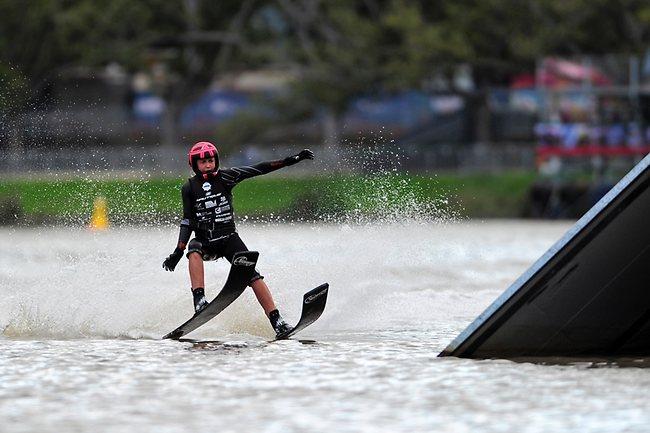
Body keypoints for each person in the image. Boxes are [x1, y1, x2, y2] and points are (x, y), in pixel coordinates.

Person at [162, 141, 314, 337]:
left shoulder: (227, 176)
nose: (208, 165)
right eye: (203, 162)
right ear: (194, 165)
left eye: (210, 160)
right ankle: (199, 300)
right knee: (194, 247)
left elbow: (259, 169)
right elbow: (187, 220)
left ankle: (277, 321)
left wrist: (290, 160)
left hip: (229, 239)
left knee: (252, 274)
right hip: (206, 242)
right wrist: (178, 250)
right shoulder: (189, 188)